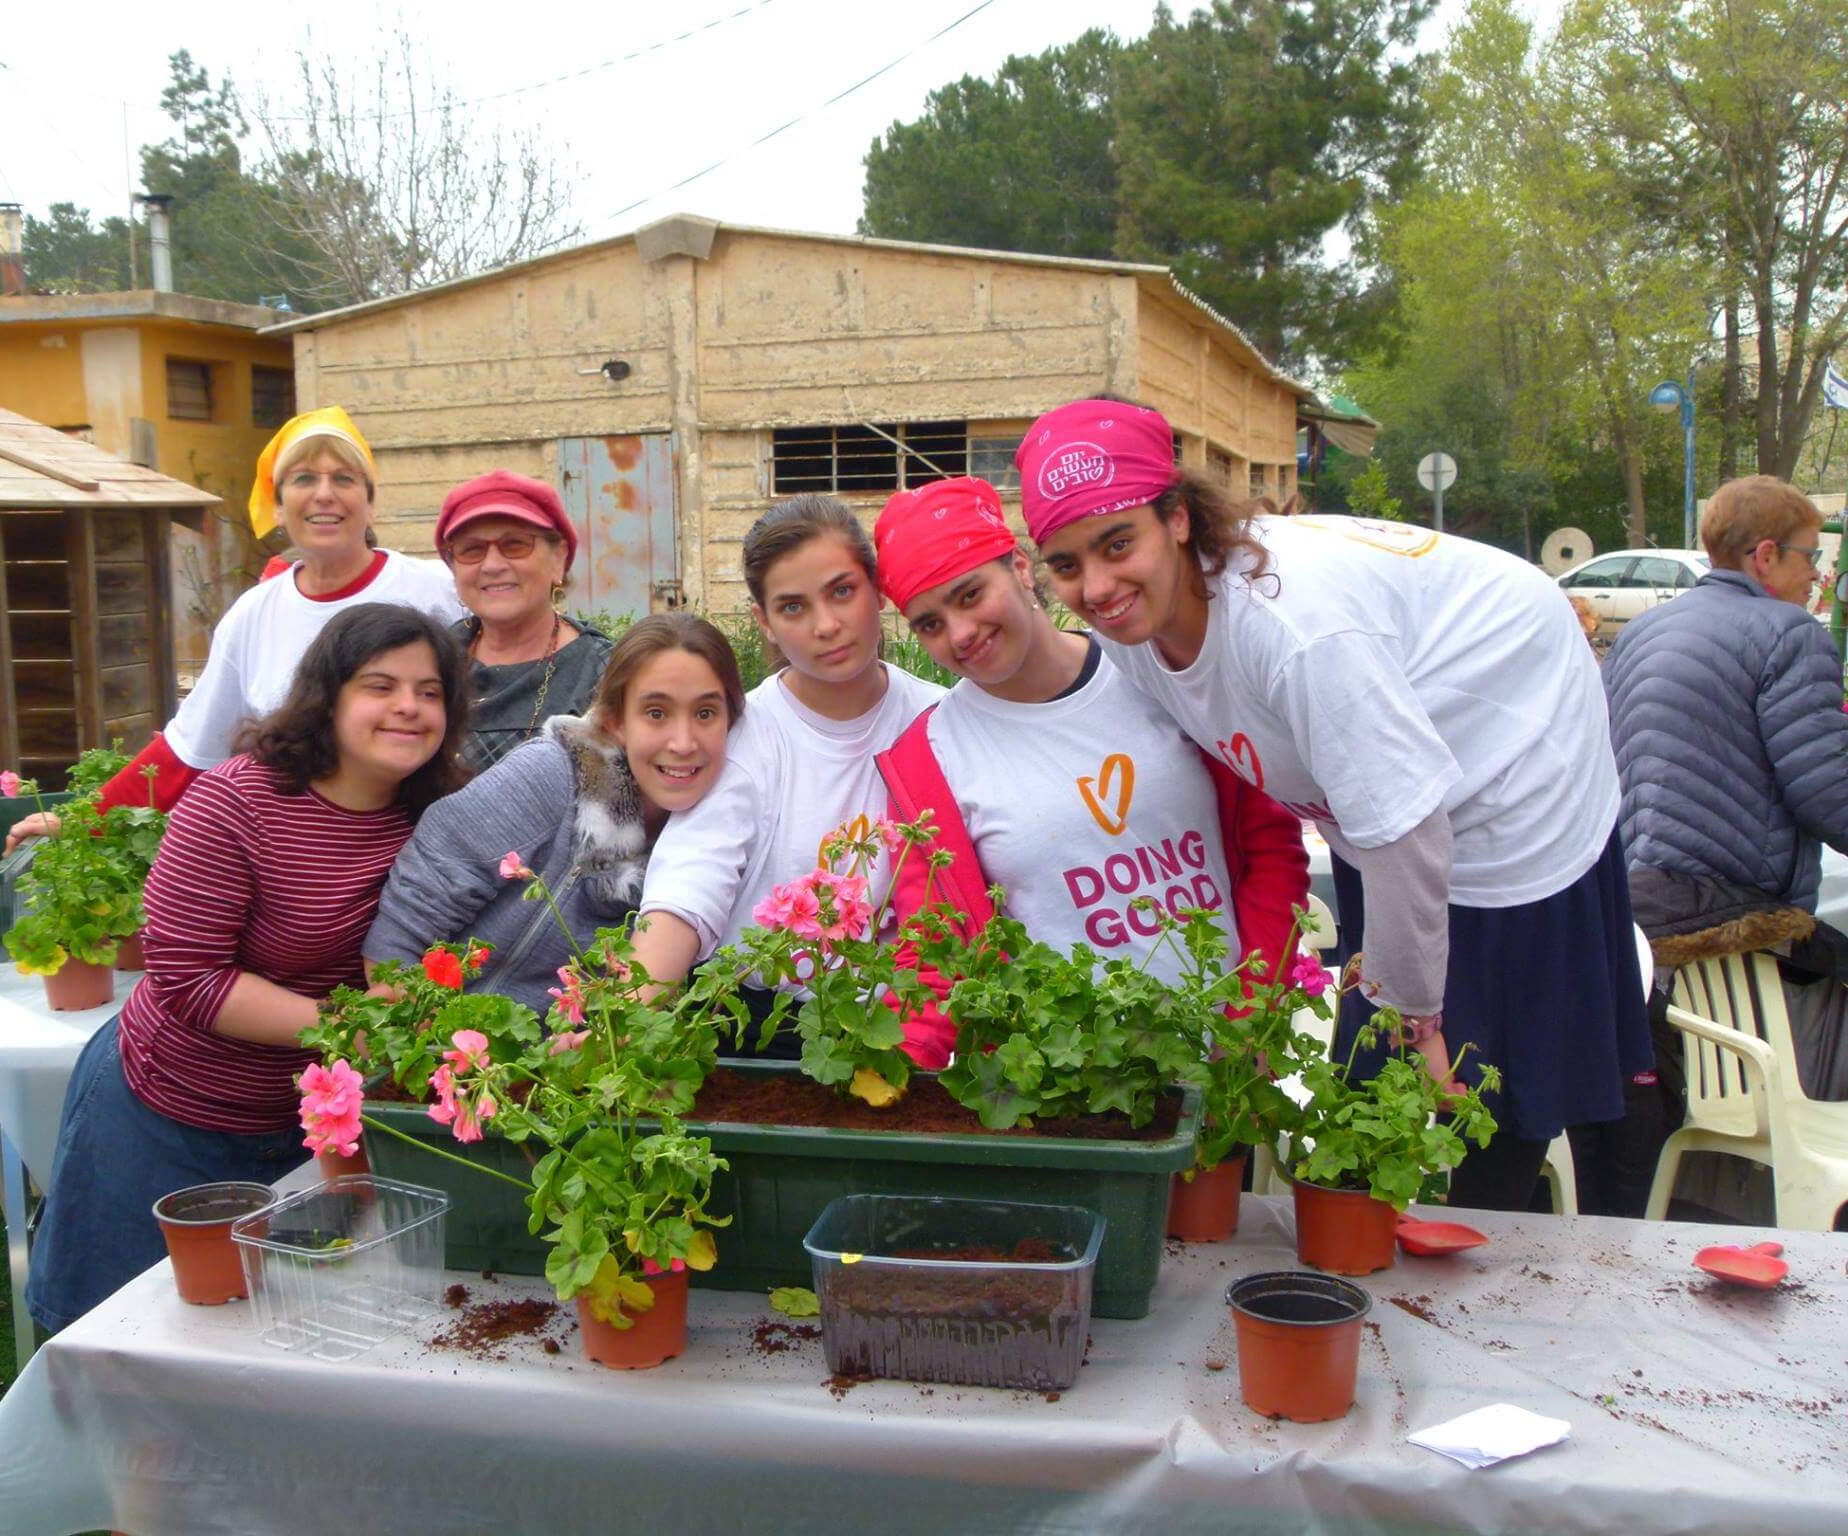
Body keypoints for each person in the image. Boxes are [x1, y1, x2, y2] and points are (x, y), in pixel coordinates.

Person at [1020, 397, 1649, 1213]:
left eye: (1116, 545)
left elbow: (1408, 831)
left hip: (1512, 728)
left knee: (1478, 1076)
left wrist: (1420, 1021)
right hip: (1383, 789)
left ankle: (1485, 1266)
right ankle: (1391, 1253)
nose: (1097, 587)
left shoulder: (1297, 632)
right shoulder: (1132, 631)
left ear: (1176, 518)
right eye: (1066, 566)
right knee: (1376, 1048)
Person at [25, 604, 469, 1331]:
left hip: (313, 1131)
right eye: (379, 685)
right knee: (104, 1328)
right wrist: (365, 1036)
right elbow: (188, 975)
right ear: (328, 696)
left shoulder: (439, 816)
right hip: (170, 1111)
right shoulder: (239, 799)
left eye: (429, 692)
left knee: (270, 1336)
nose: (408, 708)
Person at [867, 476, 1308, 1067]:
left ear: (1021, 567)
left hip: (1224, 1067)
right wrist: (894, 1067)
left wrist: (1254, 1016)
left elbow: (1268, 843)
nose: (961, 633)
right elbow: (935, 956)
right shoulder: (928, 761)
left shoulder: (1159, 671)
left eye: (970, 595)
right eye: (929, 623)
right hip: (1068, 1091)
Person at [5, 407, 463, 844]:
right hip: (294, 862)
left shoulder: (434, 588)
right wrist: (84, 819)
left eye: (344, 479)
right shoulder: (254, 613)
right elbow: (189, 750)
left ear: (370, 505)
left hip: (418, 838)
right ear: (279, 508)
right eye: (303, 479)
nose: (325, 493)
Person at [631, 495, 947, 1031]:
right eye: (794, 607)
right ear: (765, 622)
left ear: (879, 590)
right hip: (763, 1029)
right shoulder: (744, 734)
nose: (826, 625)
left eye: (842, 592)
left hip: (910, 1027)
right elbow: (689, 886)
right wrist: (620, 1018)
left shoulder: (941, 719)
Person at [1606, 475, 1848, 1114]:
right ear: (1765, 555)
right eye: (1810, 556)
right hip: (1740, 916)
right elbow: (1825, 789)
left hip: (1643, 912)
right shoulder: (1791, 635)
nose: (1817, 577)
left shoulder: (1640, 634)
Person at [366, 614, 746, 1014]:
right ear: (615, 721)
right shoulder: (551, 776)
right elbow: (398, 939)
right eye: (656, 713)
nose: (683, 743)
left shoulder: (724, 832)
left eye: (705, 713)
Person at [436, 472, 613, 772]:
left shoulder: (604, 672)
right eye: (471, 549)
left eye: (515, 544)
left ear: (559, 558)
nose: (492, 565)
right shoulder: (431, 659)